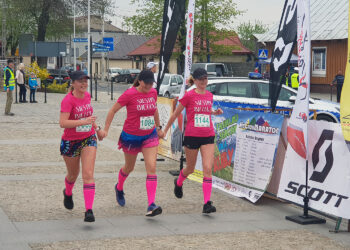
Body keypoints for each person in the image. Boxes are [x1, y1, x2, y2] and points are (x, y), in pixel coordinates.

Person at [99, 70, 163, 217]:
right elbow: (112, 110)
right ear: (139, 81)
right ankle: (119, 187)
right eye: (146, 82)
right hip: (131, 136)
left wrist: (159, 128)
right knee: (129, 167)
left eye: (151, 82)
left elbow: (154, 110)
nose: (149, 85)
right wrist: (106, 130)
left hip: (149, 135)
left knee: (151, 167)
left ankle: (151, 205)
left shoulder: (153, 93)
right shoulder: (129, 94)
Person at [161, 68, 223, 214]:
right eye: (200, 79)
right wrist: (165, 130)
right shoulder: (189, 96)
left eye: (205, 79)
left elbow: (204, 111)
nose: (204, 82)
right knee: (190, 168)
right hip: (192, 136)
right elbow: (175, 114)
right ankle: (178, 182)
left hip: (208, 135)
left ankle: (207, 203)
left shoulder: (209, 95)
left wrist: (214, 112)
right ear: (194, 80)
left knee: (208, 169)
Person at [59, 70, 103, 222]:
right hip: (70, 141)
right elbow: (63, 123)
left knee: (88, 174)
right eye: (80, 81)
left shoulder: (88, 96)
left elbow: (89, 118)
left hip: (88, 138)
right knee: (73, 174)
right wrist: (83, 122)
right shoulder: (68, 101)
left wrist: (97, 129)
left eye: (86, 80)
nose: (84, 83)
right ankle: (68, 192)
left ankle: (89, 210)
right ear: (73, 83)